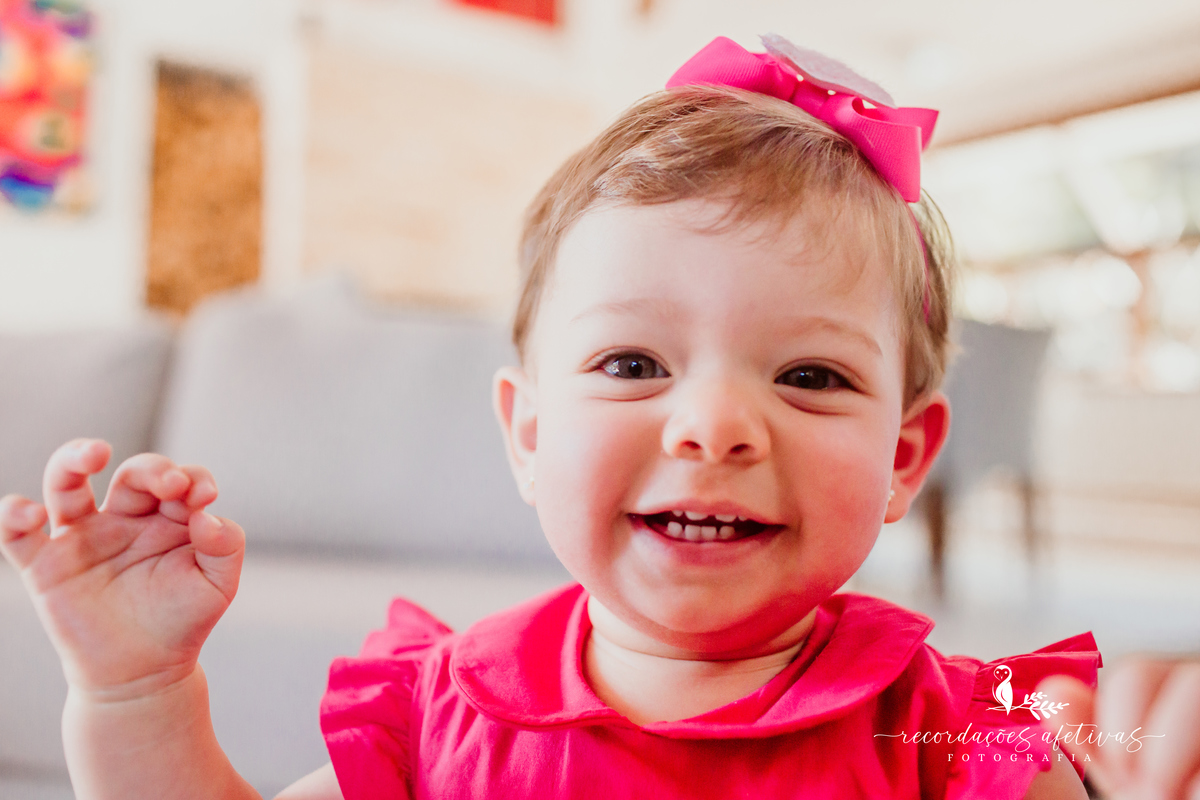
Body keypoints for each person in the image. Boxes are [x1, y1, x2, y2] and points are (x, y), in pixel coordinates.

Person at [1, 34, 1198, 800]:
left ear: (904, 458)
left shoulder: (950, 726)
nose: (716, 425)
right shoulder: (442, 709)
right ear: (526, 433)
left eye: (811, 376)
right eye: (632, 360)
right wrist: (136, 691)